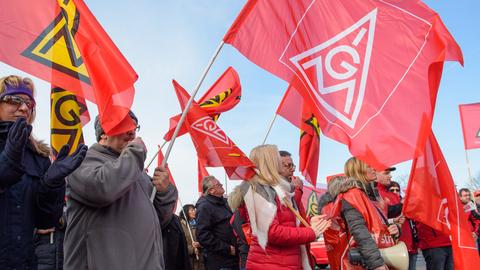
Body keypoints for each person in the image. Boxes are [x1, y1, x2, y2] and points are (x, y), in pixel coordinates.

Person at [63, 112, 178, 270]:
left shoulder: (139, 174)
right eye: (124, 126)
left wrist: (164, 193)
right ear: (103, 134)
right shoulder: (81, 161)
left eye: (133, 127)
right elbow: (101, 189)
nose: (131, 132)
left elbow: (160, 220)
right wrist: (136, 152)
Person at [0, 75, 87, 269]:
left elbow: (45, 220)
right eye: (14, 100)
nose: (23, 108)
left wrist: (52, 185)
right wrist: (9, 159)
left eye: (28, 103)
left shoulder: (38, 156)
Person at [228, 144, 331, 269]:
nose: (280, 162)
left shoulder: (276, 190)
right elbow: (271, 232)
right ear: (269, 162)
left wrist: (310, 223)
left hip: (283, 261)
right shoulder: (260, 190)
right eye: (276, 158)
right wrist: (311, 232)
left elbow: (287, 223)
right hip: (272, 263)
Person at [342, 157, 400, 270]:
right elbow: (361, 234)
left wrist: (396, 229)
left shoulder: (371, 196)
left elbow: (379, 226)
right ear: (359, 170)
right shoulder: (352, 195)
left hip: (380, 257)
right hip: (371, 263)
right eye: (369, 166)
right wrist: (377, 264)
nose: (374, 168)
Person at [196, 176, 238, 270]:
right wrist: (226, 249)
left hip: (235, 258)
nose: (222, 185)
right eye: (218, 184)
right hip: (220, 261)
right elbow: (203, 235)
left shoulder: (226, 203)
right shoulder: (204, 207)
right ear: (211, 190)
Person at [388, 181, 419, 270]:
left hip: (411, 248)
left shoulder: (407, 204)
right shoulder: (387, 204)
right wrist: (402, 204)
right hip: (397, 249)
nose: (395, 192)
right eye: (392, 190)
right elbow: (389, 214)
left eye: (397, 190)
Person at [179, 204, 205, 270]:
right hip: (188, 260)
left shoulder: (198, 223)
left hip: (201, 258)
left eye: (194, 210)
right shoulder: (181, 225)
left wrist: (200, 244)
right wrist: (192, 249)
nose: (194, 211)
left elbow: (204, 238)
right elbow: (180, 244)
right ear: (186, 212)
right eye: (192, 210)